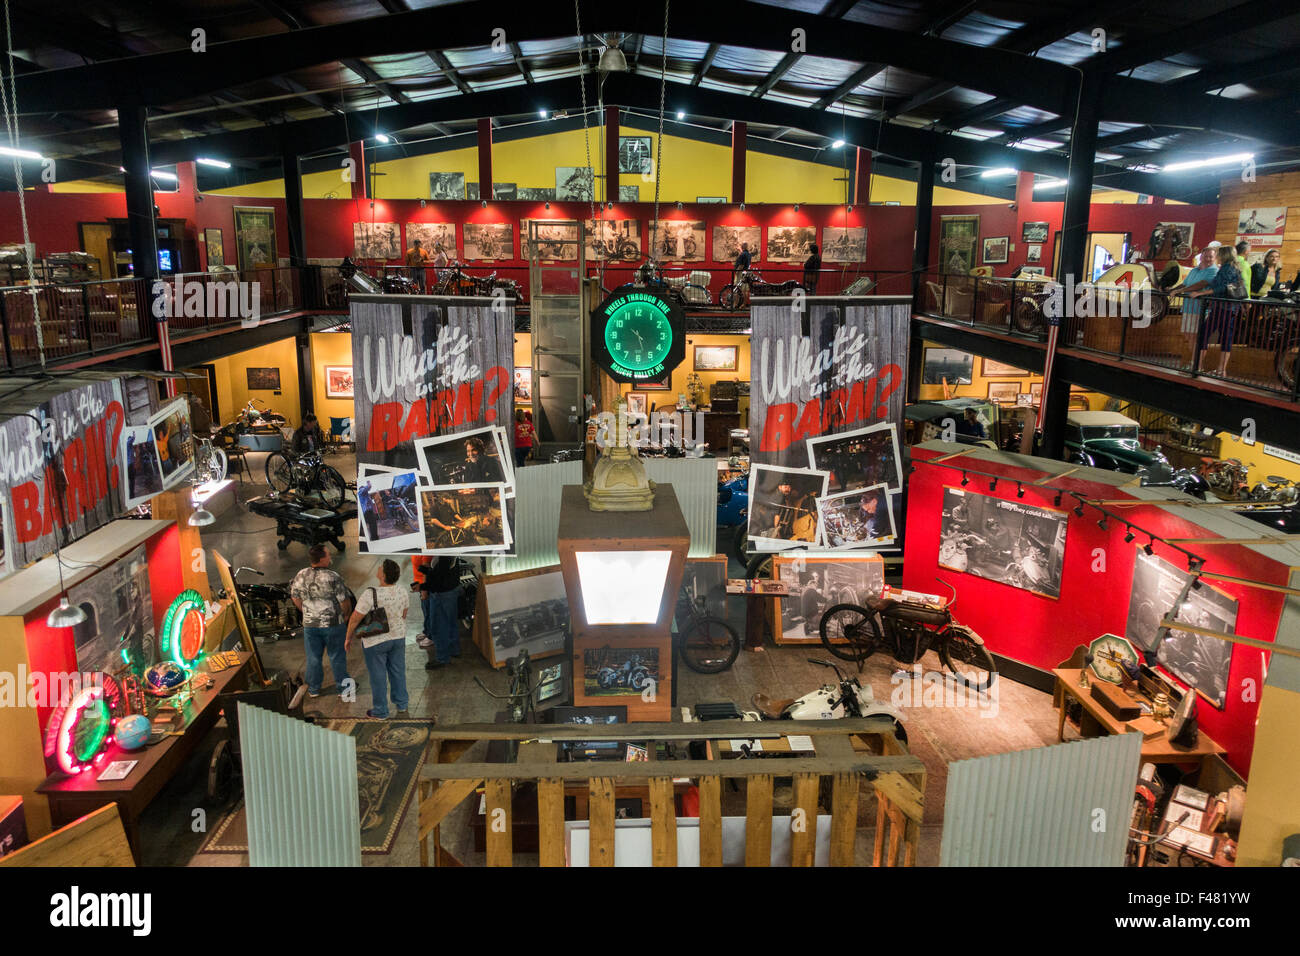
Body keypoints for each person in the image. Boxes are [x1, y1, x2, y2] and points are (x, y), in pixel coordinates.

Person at [346, 559, 409, 719]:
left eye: (381, 568)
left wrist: (348, 638)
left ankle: (381, 711)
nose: (378, 568)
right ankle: (402, 704)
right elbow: (403, 614)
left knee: (378, 675)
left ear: (383, 575)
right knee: (398, 672)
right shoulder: (402, 591)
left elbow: (355, 618)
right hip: (398, 638)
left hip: (375, 641)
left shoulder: (370, 594)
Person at [290, 544, 353, 698]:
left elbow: (295, 596)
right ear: (322, 558)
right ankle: (343, 689)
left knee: (313, 657)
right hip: (333, 624)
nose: (330, 556)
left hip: (310, 625)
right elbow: (344, 601)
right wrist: (345, 616)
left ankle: (313, 689)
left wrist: (306, 611)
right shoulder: (333, 576)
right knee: (337, 656)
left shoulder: (301, 574)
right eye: (328, 554)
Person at [1187, 246, 1246, 376]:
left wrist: (1201, 293)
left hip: (1221, 307)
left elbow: (1221, 288)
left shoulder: (1226, 269)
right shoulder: (1235, 269)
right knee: (1226, 338)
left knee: (1204, 334)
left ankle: (1197, 366)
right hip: (1231, 307)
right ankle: (1221, 369)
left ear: (1223, 255)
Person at [415, 555, 462, 669]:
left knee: (438, 626)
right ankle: (454, 649)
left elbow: (439, 579)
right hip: (450, 591)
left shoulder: (444, 555)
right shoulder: (449, 552)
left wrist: (422, 586)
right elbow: (442, 572)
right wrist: (426, 570)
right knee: (451, 622)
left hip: (442, 594)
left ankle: (442, 658)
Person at [1170, 246, 1219, 332]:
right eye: (1205, 256)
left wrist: (1179, 291)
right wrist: (1172, 290)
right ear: (1201, 257)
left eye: (1210, 257)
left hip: (1200, 308)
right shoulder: (1194, 270)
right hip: (1188, 307)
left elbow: (1201, 284)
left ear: (1215, 258)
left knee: (1195, 334)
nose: (1207, 259)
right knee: (1187, 333)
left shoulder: (1214, 270)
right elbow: (1184, 284)